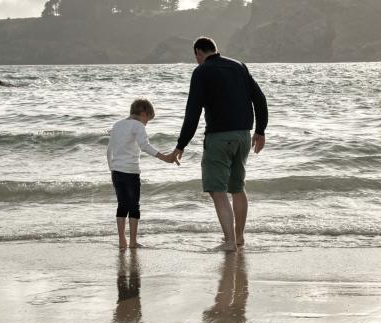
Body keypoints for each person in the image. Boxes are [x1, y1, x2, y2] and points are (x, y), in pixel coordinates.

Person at [174, 37, 268, 252]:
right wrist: (260, 131)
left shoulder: (201, 72)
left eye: (196, 57)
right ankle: (240, 237)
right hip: (244, 136)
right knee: (237, 187)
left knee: (218, 190)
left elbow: (193, 112)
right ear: (215, 50)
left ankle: (229, 241)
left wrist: (181, 145)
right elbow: (260, 99)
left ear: (198, 52)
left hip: (218, 137)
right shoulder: (238, 66)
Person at [107, 98, 179, 249]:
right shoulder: (138, 125)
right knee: (134, 206)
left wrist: (112, 168)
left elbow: (109, 150)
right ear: (144, 114)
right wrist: (165, 158)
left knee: (122, 205)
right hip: (131, 172)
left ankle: (122, 241)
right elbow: (145, 146)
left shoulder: (117, 125)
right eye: (148, 120)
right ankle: (133, 241)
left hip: (116, 172)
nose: (146, 124)